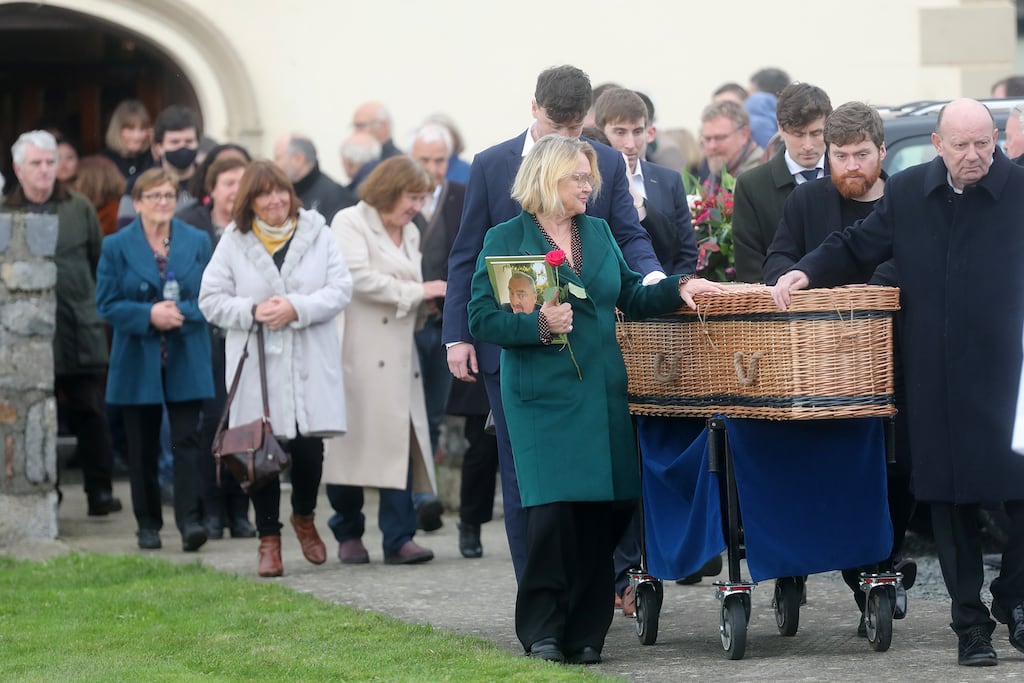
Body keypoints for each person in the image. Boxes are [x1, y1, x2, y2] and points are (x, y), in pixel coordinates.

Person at [771, 98, 1024, 668]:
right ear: (937, 145)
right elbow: (857, 243)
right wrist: (804, 270)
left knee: (1021, 496)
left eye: (983, 142)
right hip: (937, 377)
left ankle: (1014, 598)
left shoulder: (1020, 193)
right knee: (950, 505)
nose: (974, 155)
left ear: (996, 141)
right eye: (961, 145)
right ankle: (971, 627)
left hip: (1011, 378)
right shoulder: (910, 192)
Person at [467, 134, 723, 664]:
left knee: (599, 516)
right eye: (577, 178)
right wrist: (537, 323)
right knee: (553, 516)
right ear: (545, 180)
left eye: (590, 178)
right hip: (542, 400)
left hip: (601, 394)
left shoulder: (600, 232)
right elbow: (481, 319)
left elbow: (629, 291)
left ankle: (587, 632)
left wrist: (678, 288)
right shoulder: (505, 238)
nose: (589, 186)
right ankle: (542, 629)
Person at [443, 64, 665, 583]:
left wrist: (654, 279)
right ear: (534, 108)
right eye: (555, 126)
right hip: (514, 349)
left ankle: (609, 581)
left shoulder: (602, 160)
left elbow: (627, 237)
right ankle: (536, 585)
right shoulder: (492, 164)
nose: (567, 138)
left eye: (575, 129)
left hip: (589, 348)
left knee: (603, 466)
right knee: (526, 473)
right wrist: (458, 335)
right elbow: (466, 253)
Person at [763, 101, 917, 635]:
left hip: (893, 358)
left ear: (881, 151)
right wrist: (799, 285)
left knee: (898, 470)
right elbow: (778, 261)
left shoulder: (906, 198)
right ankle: (861, 574)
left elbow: (910, 263)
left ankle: (883, 563)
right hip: (818, 364)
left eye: (861, 155)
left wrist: (872, 293)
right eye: (840, 155)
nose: (850, 166)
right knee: (823, 468)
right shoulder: (808, 201)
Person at [198, 160, 351, 576]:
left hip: (308, 358)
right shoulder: (234, 240)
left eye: (281, 191)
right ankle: (269, 539)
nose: (275, 200)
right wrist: (253, 311)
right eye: (264, 193)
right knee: (258, 449)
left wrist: (296, 307)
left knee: (307, 448)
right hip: (258, 365)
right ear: (250, 200)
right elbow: (210, 299)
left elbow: (341, 289)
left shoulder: (318, 233)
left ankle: (304, 516)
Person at [324, 156, 442, 566]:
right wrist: (419, 290)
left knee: (399, 441)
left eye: (422, 199)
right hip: (356, 349)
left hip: (399, 350)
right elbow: (356, 278)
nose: (416, 207)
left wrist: (427, 300)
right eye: (413, 197)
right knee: (349, 445)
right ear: (390, 190)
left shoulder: (409, 231)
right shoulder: (349, 222)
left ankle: (398, 537)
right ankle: (348, 530)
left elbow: (406, 284)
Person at [2, 130, 121, 517]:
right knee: (34, 415)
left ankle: (99, 491)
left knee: (90, 411)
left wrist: (89, 306)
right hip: (26, 335)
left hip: (77, 326)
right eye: (35, 163)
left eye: (50, 162)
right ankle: (44, 492)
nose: (44, 171)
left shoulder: (79, 206)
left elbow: (96, 261)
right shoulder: (6, 212)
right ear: (18, 169)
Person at [96, 167, 214, 551]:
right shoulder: (116, 245)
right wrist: (148, 315)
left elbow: (214, 297)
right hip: (138, 357)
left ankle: (191, 521)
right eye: (155, 196)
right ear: (139, 201)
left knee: (187, 442)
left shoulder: (197, 240)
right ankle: (147, 524)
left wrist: (181, 314)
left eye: (169, 195)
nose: (163, 203)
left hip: (184, 351)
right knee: (141, 445)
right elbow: (107, 303)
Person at [177, 153, 256, 540]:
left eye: (242, 183)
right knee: (212, 424)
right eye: (228, 183)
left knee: (244, 425)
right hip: (205, 341)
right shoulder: (191, 226)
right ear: (211, 189)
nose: (235, 191)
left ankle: (240, 510)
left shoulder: (256, 228)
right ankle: (211, 510)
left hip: (247, 340)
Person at [408, 123, 467, 532]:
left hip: (444, 321)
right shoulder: (396, 200)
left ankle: (424, 492)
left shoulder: (461, 197)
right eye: (424, 160)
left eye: (439, 159)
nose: (432, 168)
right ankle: (412, 495)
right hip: (406, 320)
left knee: (433, 414)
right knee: (404, 414)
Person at [732, 83, 832, 282]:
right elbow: (750, 264)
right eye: (798, 134)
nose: (808, 145)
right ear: (780, 128)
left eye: (816, 133)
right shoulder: (752, 185)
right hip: (778, 305)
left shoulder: (846, 176)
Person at [596, 87, 699, 275]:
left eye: (637, 131)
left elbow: (686, 252)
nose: (630, 144)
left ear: (648, 132)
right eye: (620, 132)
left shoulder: (669, 180)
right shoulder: (590, 185)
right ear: (601, 133)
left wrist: (670, 290)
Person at [272, 133, 356, 223]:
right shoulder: (283, 193)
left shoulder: (337, 197)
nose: (274, 165)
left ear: (298, 159)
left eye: (278, 158)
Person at [696, 100, 763, 188]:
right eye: (707, 139)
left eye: (720, 138)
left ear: (744, 134)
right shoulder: (715, 177)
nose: (712, 146)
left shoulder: (761, 176)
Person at [100, 99, 155, 188]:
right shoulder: (104, 160)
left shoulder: (152, 156)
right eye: (130, 129)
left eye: (143, 128)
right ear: (117, 130)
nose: (137, 136)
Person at [71, 154, 126, 236]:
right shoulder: (88, 209)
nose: (74, 184)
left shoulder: (113, 214)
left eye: (76, 178)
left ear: (92, 183)